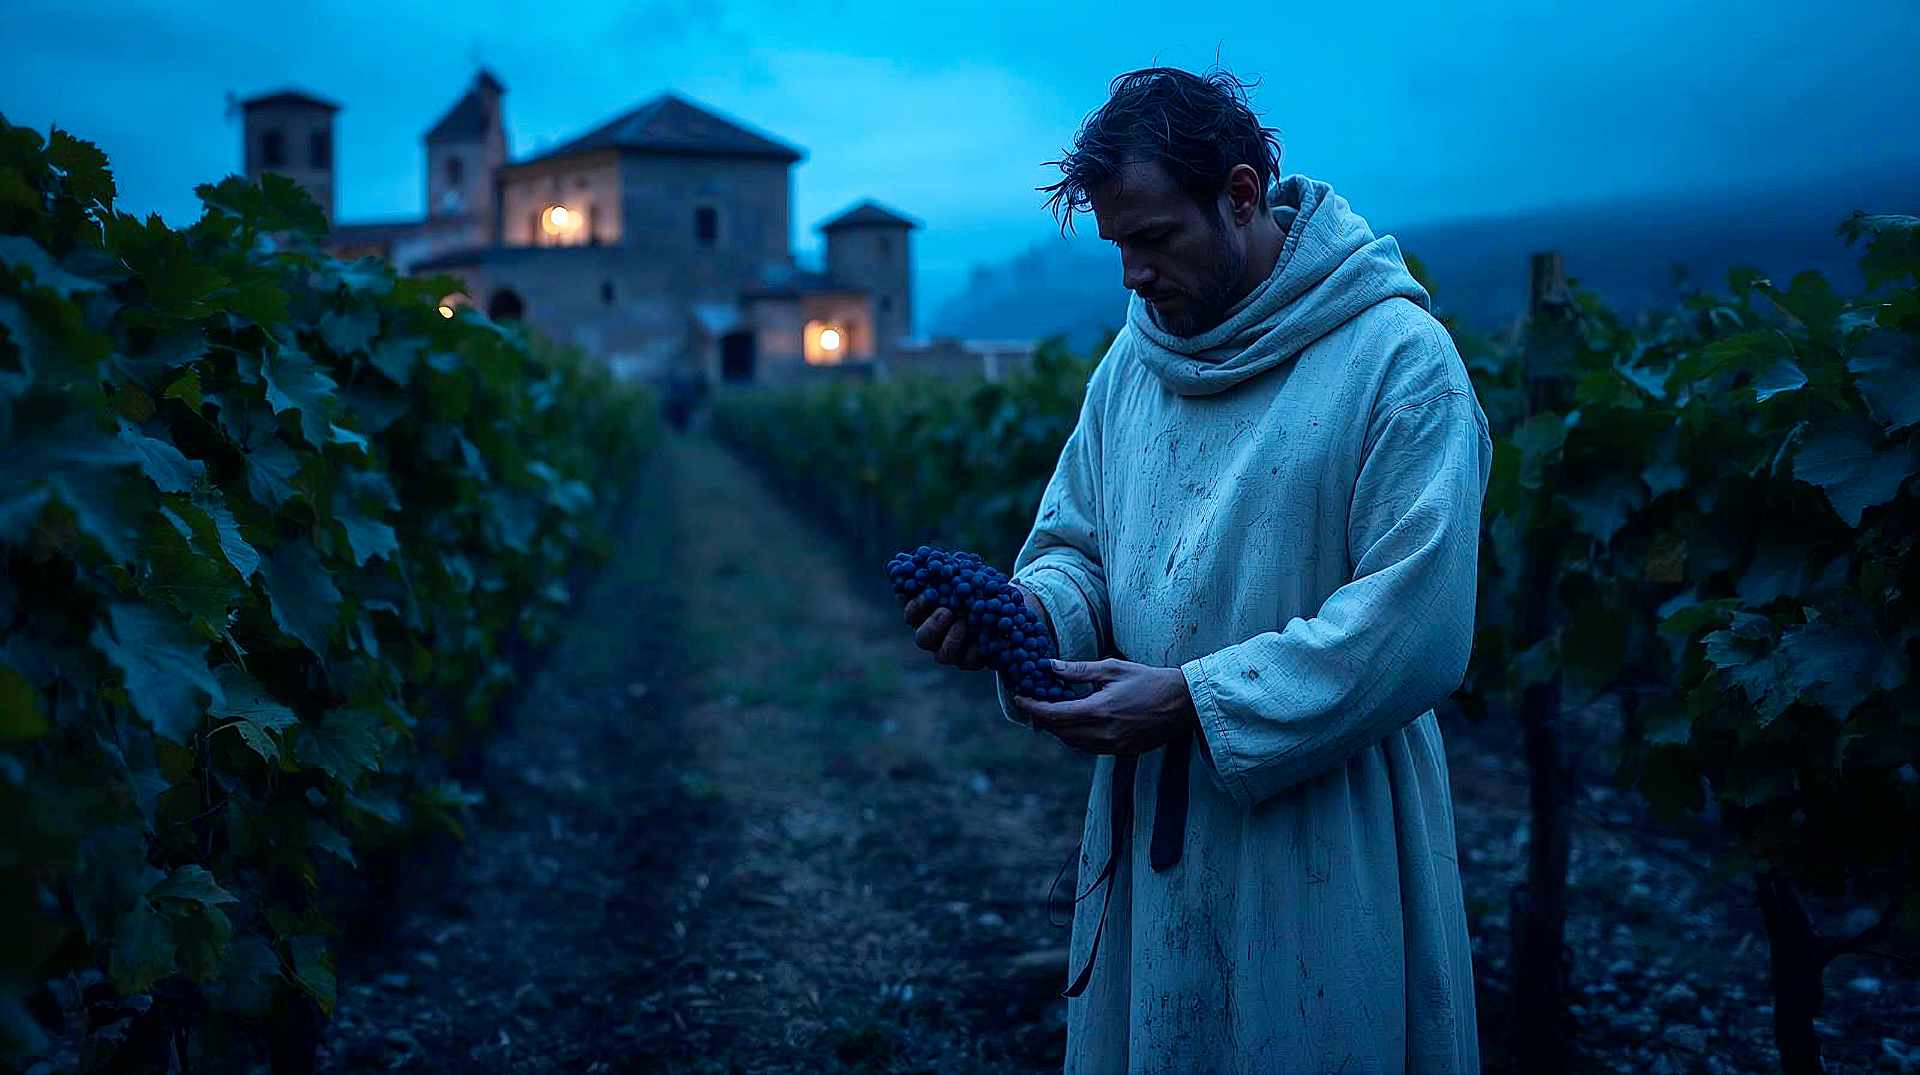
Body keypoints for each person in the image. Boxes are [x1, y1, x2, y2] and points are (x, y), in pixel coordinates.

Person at [906, 66, 1490, 1074]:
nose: (1132, 273)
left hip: (1321, 828)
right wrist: (1033, 620)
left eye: (1155, 238)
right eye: (1118, 246)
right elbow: (1073, 548)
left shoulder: (1398, 360)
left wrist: (1195, 700)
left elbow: (1419, 621)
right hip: (1149, 824)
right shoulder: (1129, 370)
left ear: (1240, 194)